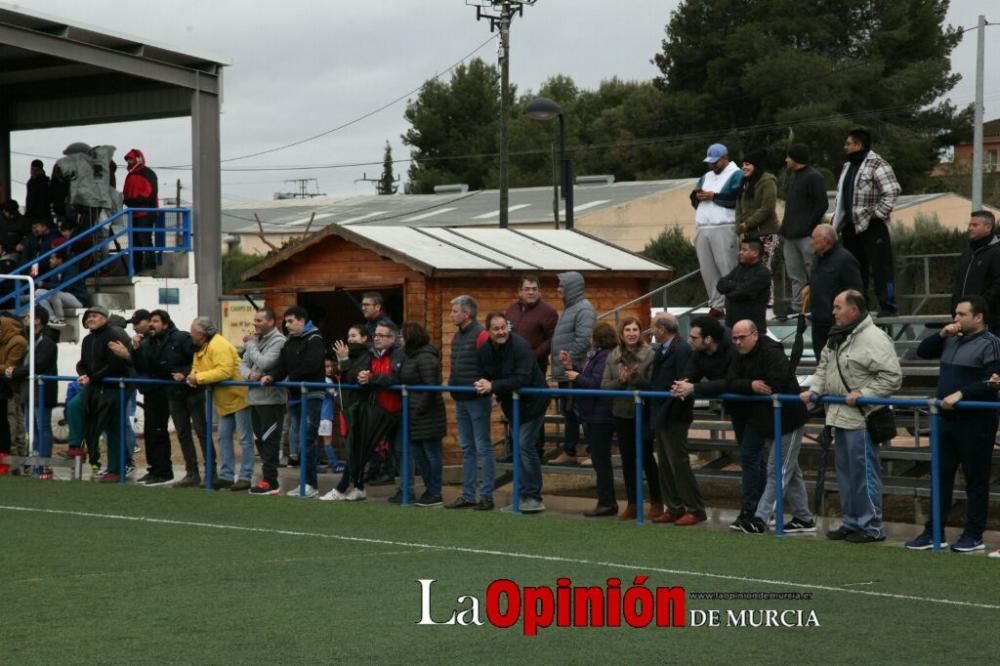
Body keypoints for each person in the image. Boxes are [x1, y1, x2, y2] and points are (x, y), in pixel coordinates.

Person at [801, 290, 902, 543]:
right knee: (846, 473)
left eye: (838, 307)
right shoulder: (836, 336)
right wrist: (815, 390)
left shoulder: (875, 338)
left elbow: (892, 376)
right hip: (838, 416)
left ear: (853, 310)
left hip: (861, 418)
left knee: (864, 473)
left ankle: (871, 525)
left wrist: (864, 392)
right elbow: (824, 366)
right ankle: (852, 521)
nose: (833, 311)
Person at [907, 296, 1000, 552]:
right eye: (955, 314)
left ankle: (974, 535)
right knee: (940, 478)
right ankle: (933, 531)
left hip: (975, 422)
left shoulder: (991, 344)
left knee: (976, 480)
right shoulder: (950, 339)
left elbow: (993, 382)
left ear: (978, 317)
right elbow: (923, 351)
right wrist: (941, 334)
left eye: (961, 314)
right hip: (945, 421)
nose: (955, 319)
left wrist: (962, 394)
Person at [724, 320, 814, 534]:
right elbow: (730, 381)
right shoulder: (739, 356)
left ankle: (760, 518)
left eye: (742, 337)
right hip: (768, 419)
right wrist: (751, 385)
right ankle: (804, 517)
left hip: (788, 418)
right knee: (790, 471)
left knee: (778, 470)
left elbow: (779, 381)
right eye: (734, 338)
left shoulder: (772, 353)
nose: (738, 342)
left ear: (754, 335)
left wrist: (750, 384)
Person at [671, 315, 742, 527]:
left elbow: (729, 382)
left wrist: (694, 388)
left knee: (757, 460)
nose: (690, 340)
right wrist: (681, 385)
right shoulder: (699, 353)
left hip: (754, 408)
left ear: (708, 339)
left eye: (694, 337)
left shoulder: (732, 350)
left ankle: (760, 511)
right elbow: (690, 374)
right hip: (736, 409)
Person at [476, 311, 549, 513]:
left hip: (534, 401)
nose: (501, 332)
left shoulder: (520, 346)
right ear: (488, 332)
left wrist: (494, 386)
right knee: (519, 447)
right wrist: (488, 389)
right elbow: (484, 374)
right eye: (496, 329)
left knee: (525, 445)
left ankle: (533, 496)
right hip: (513, 405)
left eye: (503, 327)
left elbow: (522, 378)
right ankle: (522, 496)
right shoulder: (484, 351)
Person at [831, 128, 901, 316]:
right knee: (855, 270)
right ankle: (860, 307)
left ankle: (888, 306)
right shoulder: (848, 167)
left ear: (859, 145)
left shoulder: (877, 164)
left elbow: (892, 190)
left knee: (881, 269)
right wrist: (835, 225)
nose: (844, 147)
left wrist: (878, 213)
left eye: (848, 143)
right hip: (851, 227)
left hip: (873, 226)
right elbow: (841, 198)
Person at [601, 316, 662, 521]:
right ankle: (633, 503)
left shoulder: (650, 354)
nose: (632, 333)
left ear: (641, 332)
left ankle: (656, 502)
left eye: (635, 329)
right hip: (621, 413)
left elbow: (653, 384)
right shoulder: (613, 355)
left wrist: (635, 378)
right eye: (627, 330)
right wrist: (621, 381)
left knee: (646, 458)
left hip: (643, 412)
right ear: (621, 333)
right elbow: (605, 386)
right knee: (627, 460)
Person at [262, 306, 326, 498]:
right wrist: (271, 377)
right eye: (286, 322)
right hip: (296, 397)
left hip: (312, 395)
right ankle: (305, 483)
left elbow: (313, 365)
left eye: (290, 321)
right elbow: (282, 367)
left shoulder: (315, 339)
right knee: (298, 441)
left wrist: (291, 377)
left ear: (302, 321)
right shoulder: (289, 342)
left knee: (307, 439)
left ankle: (310, 485)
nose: (287, 325)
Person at [647, 312, 704, 526]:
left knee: (678, 463)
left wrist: (672, 407)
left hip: (675, 415)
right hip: (661, 413)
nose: (652, 331)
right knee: (665, 463)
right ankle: (673, 507)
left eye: (654, 327)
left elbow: (684, 381)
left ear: (662, 329)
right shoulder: (663, 349)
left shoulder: (681, 350)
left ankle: (695, 509)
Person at [122, 309, 187, 487]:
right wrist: (134, 350)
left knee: (165, 432)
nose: (152, 324)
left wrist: (184, 373)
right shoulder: (148, 342)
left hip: (171, 391)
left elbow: (189, 360)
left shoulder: (179, 338)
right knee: (151, 432)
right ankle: (155, 469)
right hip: (152, 391)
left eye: (156, 321)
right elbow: (142, 366)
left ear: (165, 323)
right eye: (150, 321)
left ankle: (166, 472)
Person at [559, 322, 617, 517]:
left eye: (591, 336)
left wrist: (575, 376)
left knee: (601, 461)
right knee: (599, 461)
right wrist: (571, 367)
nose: (588, 339)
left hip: (600, 415)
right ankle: (606, 501)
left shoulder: (604, 356)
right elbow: (590, 377)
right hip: (593, 414)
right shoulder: (597, 355)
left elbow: (595, 384)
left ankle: (607, 502)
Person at [188, 317, 253, 491]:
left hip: (239, 396)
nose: (190, 334)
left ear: (201, 334)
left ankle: (246, 476)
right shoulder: (201, 347)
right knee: (223, 437)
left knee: (244, 439)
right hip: (223, 399)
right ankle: (226, 475)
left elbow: (224, 371)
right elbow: (197, 366)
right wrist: (193, 376)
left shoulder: (219, 345)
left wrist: (198, 378)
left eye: (192, 331)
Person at [74, 306, 134, 482]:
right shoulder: (87, 340)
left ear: (104, 318)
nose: (90, 319)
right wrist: (83, 374)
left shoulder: (113, 335)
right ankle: (75, 445)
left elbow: (114, 364)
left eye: (95, 316)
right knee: (74, 407)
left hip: (114, 388)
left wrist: (91, 378)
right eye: (88, 316)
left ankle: (117, 468)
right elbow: (82, 363)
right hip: (95, 387)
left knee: (113, 428)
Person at [445, 296, 494, 510]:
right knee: (467, 447)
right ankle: (468, 494)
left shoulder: (481, 335)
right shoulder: (457, 337)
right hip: (461, 397)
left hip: (477, 398)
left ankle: (486, 495)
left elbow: (489, 366)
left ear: (467, 313)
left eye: (455, 311)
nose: (452, 314)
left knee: (482, 447)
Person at [321, 324, 374, 501]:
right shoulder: (348, 353)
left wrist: (343, 361)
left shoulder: (368, 354)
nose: (350, 339)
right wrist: (341, 361)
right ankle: (358, 487)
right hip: (347, 407)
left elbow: (354, 378)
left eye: (354, 336)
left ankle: (341, 488)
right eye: (349, 335)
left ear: (365, 338)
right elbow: (336, 373)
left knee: (355, 450)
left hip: (361, 408)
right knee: (354, 449)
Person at [690, 143, 743, 319]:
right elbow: (694, 197)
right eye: (710, 162)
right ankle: (716, 304)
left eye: (716, 162)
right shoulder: (706, 176)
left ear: (725, 158)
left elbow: (736, 198)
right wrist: (697, 196)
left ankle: (734, 302)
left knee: (727, 267)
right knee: (708, 269)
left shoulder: (736, 174)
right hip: (703, 226)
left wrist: (714, 197)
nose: (712, 165)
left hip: (723, 225)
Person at [549, 271, 596, 466]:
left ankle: (594, 452)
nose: (558, 289)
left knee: (582, 413)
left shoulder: (584, 309)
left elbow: (583, 341)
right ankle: (569, 451)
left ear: (572, 287)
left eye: (561, 285)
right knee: (569, 414)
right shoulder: (569, 309)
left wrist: (570, 363)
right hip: (565, 373)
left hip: (576, 373)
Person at [398, 322, 446, 507]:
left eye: (402, 336)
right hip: (414, 413)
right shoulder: (408, 356)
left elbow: (431, 387)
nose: (399, 340)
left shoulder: (426, 357)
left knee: (431, 453)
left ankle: (435, 492)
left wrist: (419, 410)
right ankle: (430, 490)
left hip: (427, 414)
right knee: (418, 454)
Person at [240, 308, 287, 496]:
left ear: (270, 322)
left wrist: (251, 346)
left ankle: (271, 481)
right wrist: (250, 374)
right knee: (259, 440)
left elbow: (266, 363)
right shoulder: (256, 339)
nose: (255, 323)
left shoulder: (279, 341)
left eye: (259, 320)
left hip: (271, 400)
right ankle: (266, 479)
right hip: (255, 399)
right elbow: (241, 363)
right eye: (254, 320)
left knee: (270, 441)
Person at [6, 308, 58, 478]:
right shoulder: (32, 338)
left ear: (38, 320)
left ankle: (44, 463)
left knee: (42, 427)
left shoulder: (47, 341)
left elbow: (39, 364)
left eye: (30, 316)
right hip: (30, 389)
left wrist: (16, 372)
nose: (26, 318)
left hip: (42, 390)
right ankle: (36, 459)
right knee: (32, 427)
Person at [780, 144, 828, 318]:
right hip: (790, 234)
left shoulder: (814, 177)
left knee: (813, 271)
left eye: (788, 157)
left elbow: (822, 204)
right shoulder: (793, 177)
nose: (786, 160)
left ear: (795, 158)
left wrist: (809, 227)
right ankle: (797, 306)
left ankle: (819, 304)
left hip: (806, 235)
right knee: (794, 273)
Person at [802, 224, 863, 357]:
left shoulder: (845, 260)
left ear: (826, 240)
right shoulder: (818, 257)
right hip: (818, 324)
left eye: (814, 238)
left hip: (837, 326)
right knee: (822, 365)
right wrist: (810, 285)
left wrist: (845, 321)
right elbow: (819, 278)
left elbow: (856, 293)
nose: (811, 242)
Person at [735, 149, 779, 305]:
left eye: (748, 164)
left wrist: (747, 224)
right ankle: (752, 297)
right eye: (743, 165)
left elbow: (767, 208)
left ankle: (768, 300)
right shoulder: (744, 182)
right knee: (747, 267)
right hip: (748, 234)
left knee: (764, 267)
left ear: (756, 165)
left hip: (766, 233)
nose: (744, 168)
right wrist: (739, 228)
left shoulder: (768, 181)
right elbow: (739, 208)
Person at [952, 210, 1000, 334]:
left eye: (975, 225)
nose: (970, 228)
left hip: (990, 323)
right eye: (970, 225)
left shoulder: (996, 252)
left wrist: (979, 307)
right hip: (965, 321)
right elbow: (958, 284)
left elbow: (997, 285)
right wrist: (955, 308)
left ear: (988, 227)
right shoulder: (967, 254)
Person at [505, 275, 558, 375]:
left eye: (534, 289)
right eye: (527, 289)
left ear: (539, 291)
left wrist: (532, 355)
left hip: (535, 366)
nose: (531, 292)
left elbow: (552, 339)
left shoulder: (548, 312)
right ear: (520, 291)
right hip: (512, 364)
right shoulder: (511, 309)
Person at [716, 239, 771, 334]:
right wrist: (737, 286)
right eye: (741, 250)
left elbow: (739, 293)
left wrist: (730, 288)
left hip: (751, 331)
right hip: (731, 327)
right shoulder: (739, 268)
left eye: (744, 250)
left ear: (755, 253)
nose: (740, 252)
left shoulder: (762, 273)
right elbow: (720, 285)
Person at [122, 148, 160, 271]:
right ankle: (136, 268)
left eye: (131, 159)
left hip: (146, 212)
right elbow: (127, 194)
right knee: (135, 241)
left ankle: (150, 266)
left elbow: (150, 194)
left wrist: (133, 201)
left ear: (138, 159)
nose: (129, 162)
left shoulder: (148, 173)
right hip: (134, 212)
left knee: (144, 238)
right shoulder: (131, 175)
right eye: (128, 160)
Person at [0, 313, 29, 470]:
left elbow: (10, 367)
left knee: (13, 421)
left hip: (12, 389)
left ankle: (15, 461)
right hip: (4, 389)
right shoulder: (5, 339)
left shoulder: (18, 341)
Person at [34, 251, 88, 327]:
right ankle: (52, 318)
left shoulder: (70, 269)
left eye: (52, 258)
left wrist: (44, 284)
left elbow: (65, 287)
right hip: (61, 298)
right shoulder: (55, 271)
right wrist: (45, 285)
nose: (50, 260)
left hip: (77, 299)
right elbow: (54, 285)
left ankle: (60, 319)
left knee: (54, 292)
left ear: (60, 259)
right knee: (38, 292)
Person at [25, 159, 51, 224]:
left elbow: (41, 200)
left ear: (40, 170)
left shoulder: (42, 183)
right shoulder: (33, 181)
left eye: (35, 170)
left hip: (38, 215)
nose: (33, 172)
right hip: (36, 214)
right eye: (32, 170)